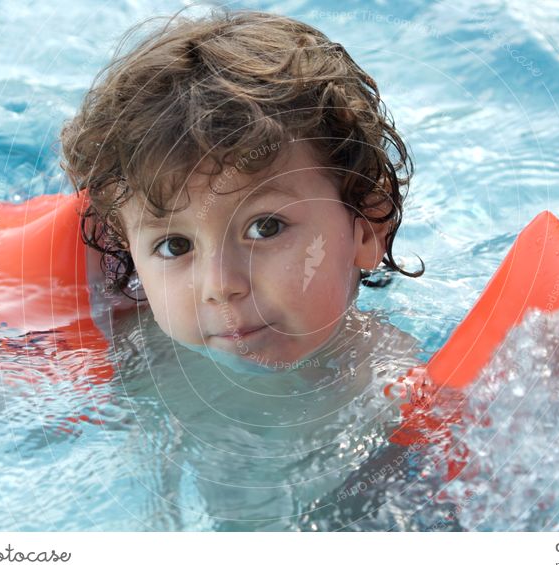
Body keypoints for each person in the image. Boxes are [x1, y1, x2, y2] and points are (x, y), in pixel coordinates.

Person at [60, 8, 425, 372]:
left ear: (368, 226)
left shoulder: (382, 378)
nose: (220, 285)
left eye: (265, 227)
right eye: (175, 246)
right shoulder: (123, 354)